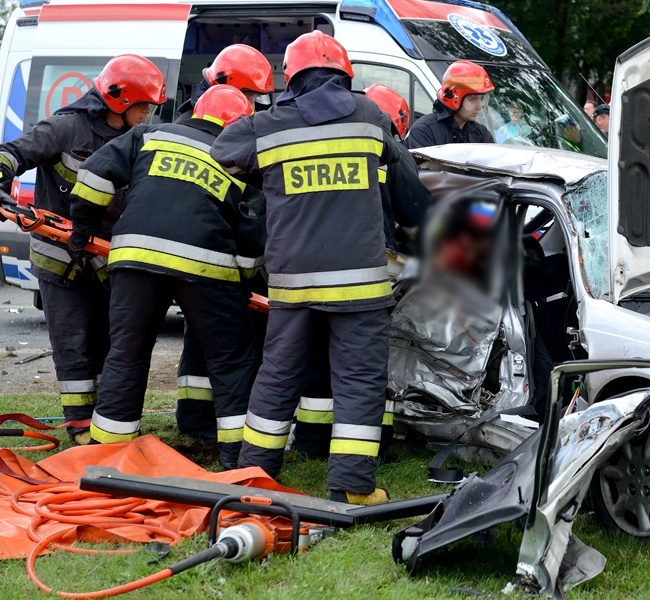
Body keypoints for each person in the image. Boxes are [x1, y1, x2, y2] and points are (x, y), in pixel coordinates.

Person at [211, 31, 404, 504]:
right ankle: (352, 487)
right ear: (344, 75)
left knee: (277, 376)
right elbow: (399, 169)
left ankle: (253, 478)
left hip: (294, 284)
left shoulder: (268, 125)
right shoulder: (370, 115)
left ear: (291, 78)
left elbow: (222, 151)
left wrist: (267, 168)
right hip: (360, 285)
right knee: (359, 381)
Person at [69, 85, 264, 469]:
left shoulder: (149, 135)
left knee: (127, 352)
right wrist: (240, 285)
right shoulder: (239, 159)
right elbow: (251, 236)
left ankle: (107, 456)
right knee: (231, 360)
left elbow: (94, 174)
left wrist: (82, 229)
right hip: (206, 267)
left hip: (134, 259)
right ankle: (238, 460)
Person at [0, 55, 165, 444]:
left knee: (110, 344)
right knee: (73, 346)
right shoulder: (66, 127)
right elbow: (10, 153)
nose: (148, 114)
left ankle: (107, 423)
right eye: (144, 106)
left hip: (106, 261)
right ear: (119, 101)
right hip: (60, 262)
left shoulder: (135, 139)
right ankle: (78, 428)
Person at [293, 83, 431, 463]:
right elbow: (418, 213)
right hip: (368, 273)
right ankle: (376, 445)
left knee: (317, 357)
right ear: (395, 123)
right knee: (368, 362)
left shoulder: (319, 144)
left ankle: (312, 441)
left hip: (312, 268)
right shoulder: (391, 151)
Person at [172, 43, 274, 442]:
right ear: (225, 84)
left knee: (212, 338)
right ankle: (202, 423)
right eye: (249, 95)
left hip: (226, 244)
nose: (252, 104)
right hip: (216, 247)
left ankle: (202, 421)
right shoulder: (197, 127)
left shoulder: (234, 119)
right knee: (218, 342)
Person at [404, 60, 494, 148]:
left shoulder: (482, 134)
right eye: (472, 99)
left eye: (481, 99)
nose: (479, 106)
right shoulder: (425, 131)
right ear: (453, 97)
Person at [176, 44, 274, 121]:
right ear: (224, 85)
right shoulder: (192, 122)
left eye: (255, 99)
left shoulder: (236, 116)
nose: (252, 106)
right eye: (247, 98)